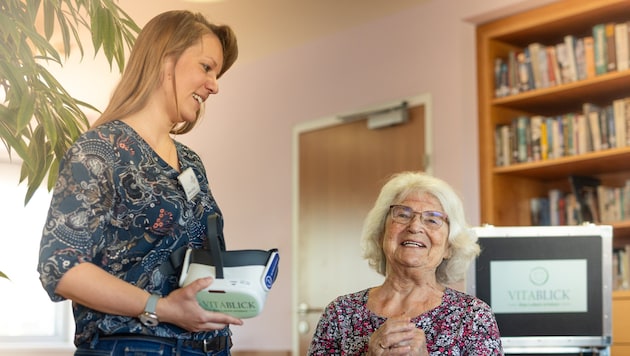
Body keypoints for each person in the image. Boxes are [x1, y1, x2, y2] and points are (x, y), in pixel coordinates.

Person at [37, 10, 242, 356]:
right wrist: (162, 307)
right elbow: (61, 267)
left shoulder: (191, 162)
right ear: (166, 62)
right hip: (136, 347)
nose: (215, 85)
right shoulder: (99, 150)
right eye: (206, 67)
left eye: (217, 74)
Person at [308, 171, 503, 355]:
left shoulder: (473, 316)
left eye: (432, 220)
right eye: (403, 214)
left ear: (449, 246)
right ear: (381, 233)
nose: (415, 226)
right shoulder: (340, 313)